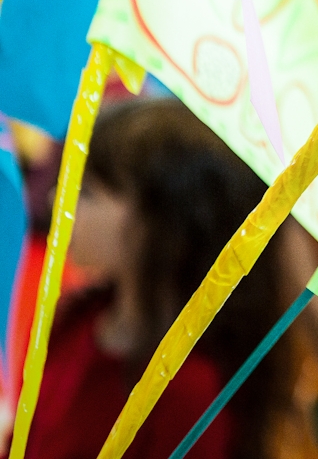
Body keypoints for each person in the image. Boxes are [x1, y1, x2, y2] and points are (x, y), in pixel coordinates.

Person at [24, 98, 292, 459]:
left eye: (86, 191)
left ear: (164, 226)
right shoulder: (74, 321)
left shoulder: (190, 393)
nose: (58, 200)